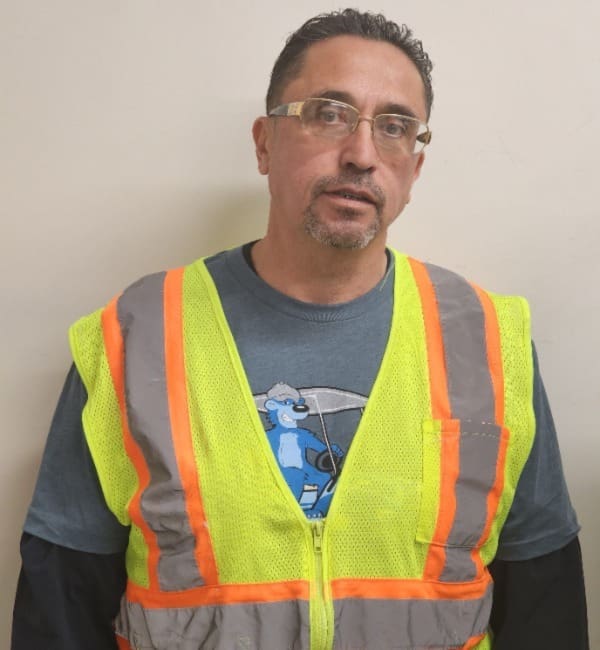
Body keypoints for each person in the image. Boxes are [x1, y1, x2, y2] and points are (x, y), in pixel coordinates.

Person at [12, 9, 588, 650]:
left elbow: (546, 605)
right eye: (328, 113)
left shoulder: (487, 341)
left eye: (395, 128)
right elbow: (59, 611)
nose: (363, 154)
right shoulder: (134, 338)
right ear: (264, 143)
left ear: (414, 171)